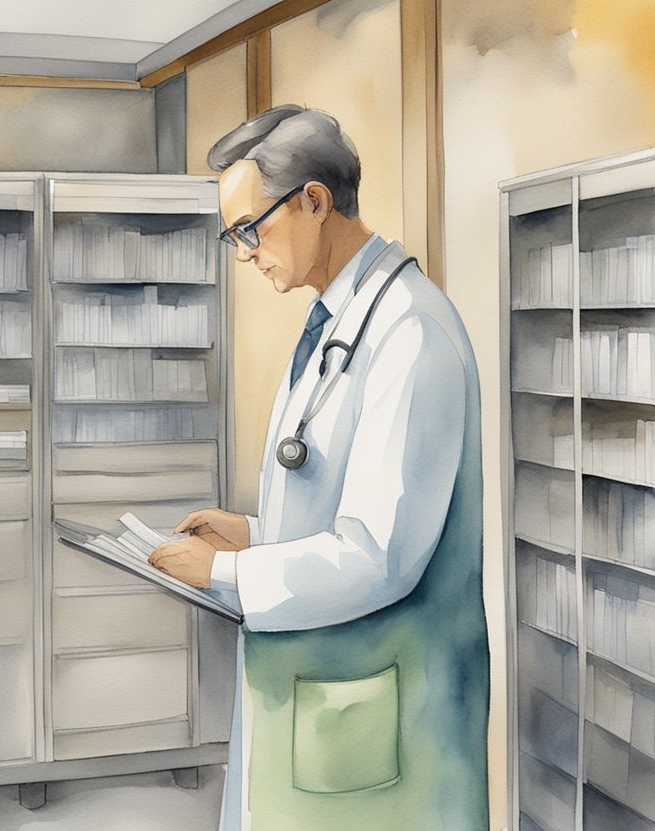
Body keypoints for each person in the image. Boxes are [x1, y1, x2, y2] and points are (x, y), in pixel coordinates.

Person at [148, 104, 488, 831]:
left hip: (385, 718)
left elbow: (378, 556)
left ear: (313, 202)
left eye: (250, 229)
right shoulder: (339, 323)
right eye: (233, 235)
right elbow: (344, 500)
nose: (243, 253)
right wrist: (254, 531)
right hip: (328, 702)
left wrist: (224, 573)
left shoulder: (410, 334)